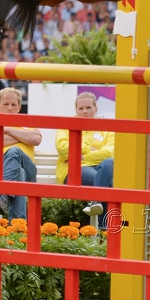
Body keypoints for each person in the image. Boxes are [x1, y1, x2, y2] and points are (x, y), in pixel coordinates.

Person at [0, 87, 42, 220]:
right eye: (6, 104)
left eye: (14, 104)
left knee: (14, 152)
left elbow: (36, 139)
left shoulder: (28, 122)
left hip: (29, 171)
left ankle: (2, 197)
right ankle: (18, 227)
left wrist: (7, 129)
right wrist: (23, 137)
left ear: (19, 107)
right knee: (19, 172)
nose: (10, 108)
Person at [55, 92, 115, 226]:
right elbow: (64, 148)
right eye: (81, 109)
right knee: (106, 183)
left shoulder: (107, 128)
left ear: (96, 109)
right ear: (76, 110)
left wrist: (83, 155)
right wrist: (89, 149)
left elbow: (110, 153)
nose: (84, 112)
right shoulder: (67, 126)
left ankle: (95, 203)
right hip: (74, 170)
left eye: (88, 108)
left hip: (100, 168)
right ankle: (103, 230)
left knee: (109, 164)